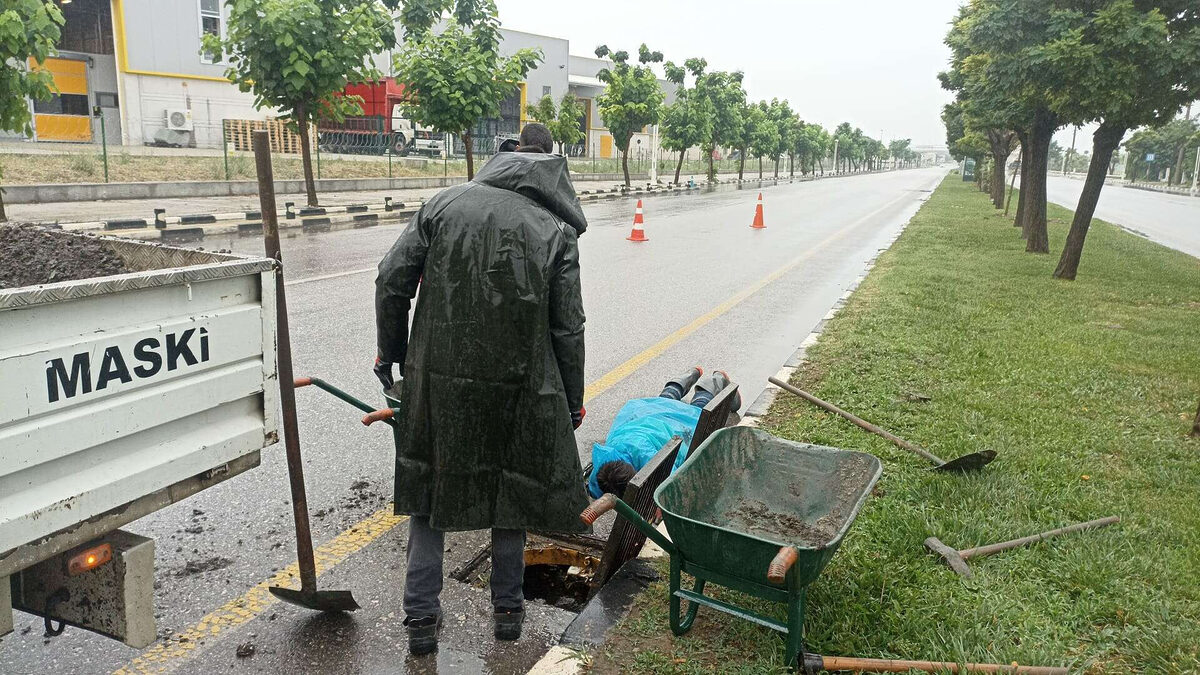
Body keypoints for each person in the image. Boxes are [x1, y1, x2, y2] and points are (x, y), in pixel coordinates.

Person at [374, 123, 589, 656]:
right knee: (510, 489)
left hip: (436, 379)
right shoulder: (556, 231)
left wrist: (393, 355)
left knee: (429, 489)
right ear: (551, 170)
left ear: (510, 154)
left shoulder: (444, 204)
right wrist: (572, 396)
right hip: (522, 385)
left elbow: (390, 280)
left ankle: (421, 619)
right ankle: (508, 615)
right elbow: (569, 326)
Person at [588, 367, 740, 499]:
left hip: (666, 428)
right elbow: (596, 490)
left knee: (694, 416)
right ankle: (679, 382)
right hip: (645, 414)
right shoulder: (602, 467)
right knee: (664, 401)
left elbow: (673, 479)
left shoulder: (646, 456)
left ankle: (713, 382)